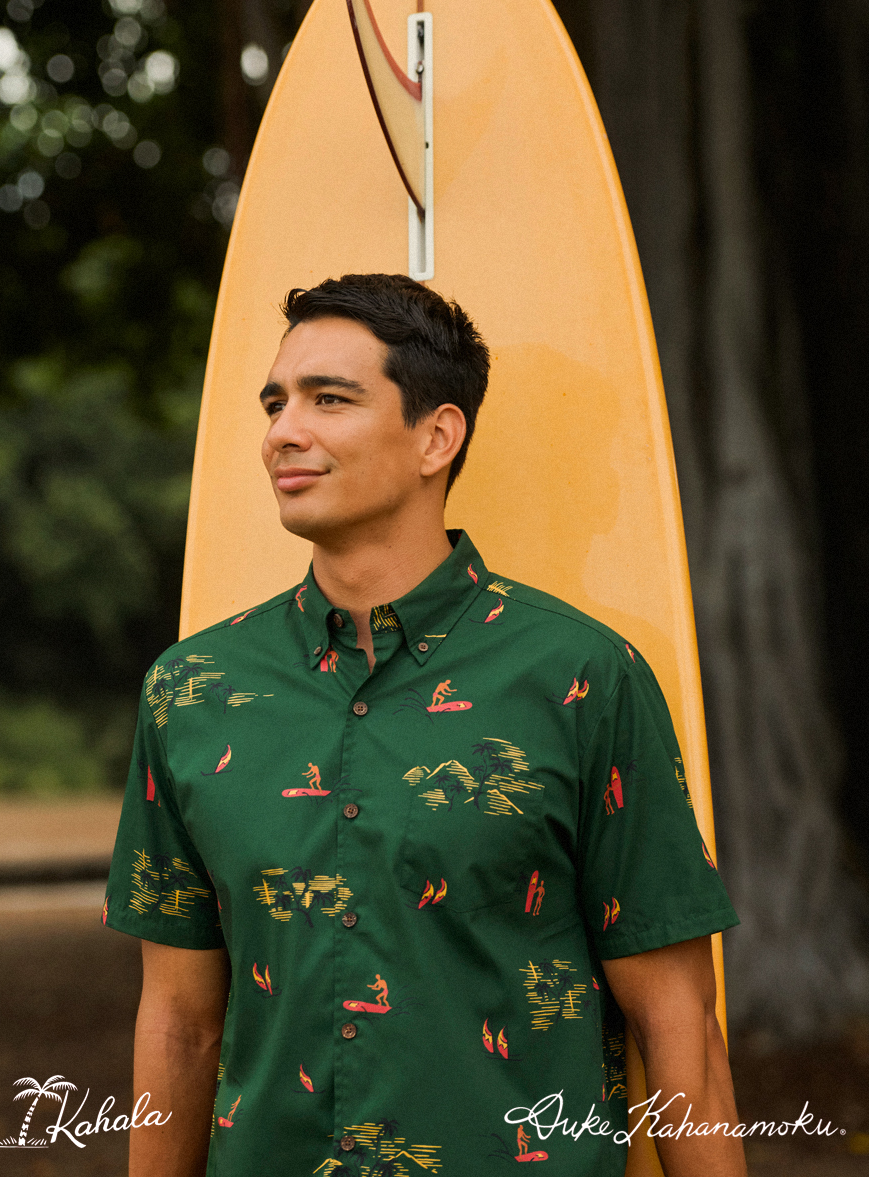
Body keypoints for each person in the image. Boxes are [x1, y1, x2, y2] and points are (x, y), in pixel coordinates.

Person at [104, 273, 745, 1176]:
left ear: (437, 436)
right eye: (276, 403)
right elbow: (178, 1022)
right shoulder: (190, 690)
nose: (284, 431)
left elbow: (678, 1025)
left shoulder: (582, 678)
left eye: (330, 399)